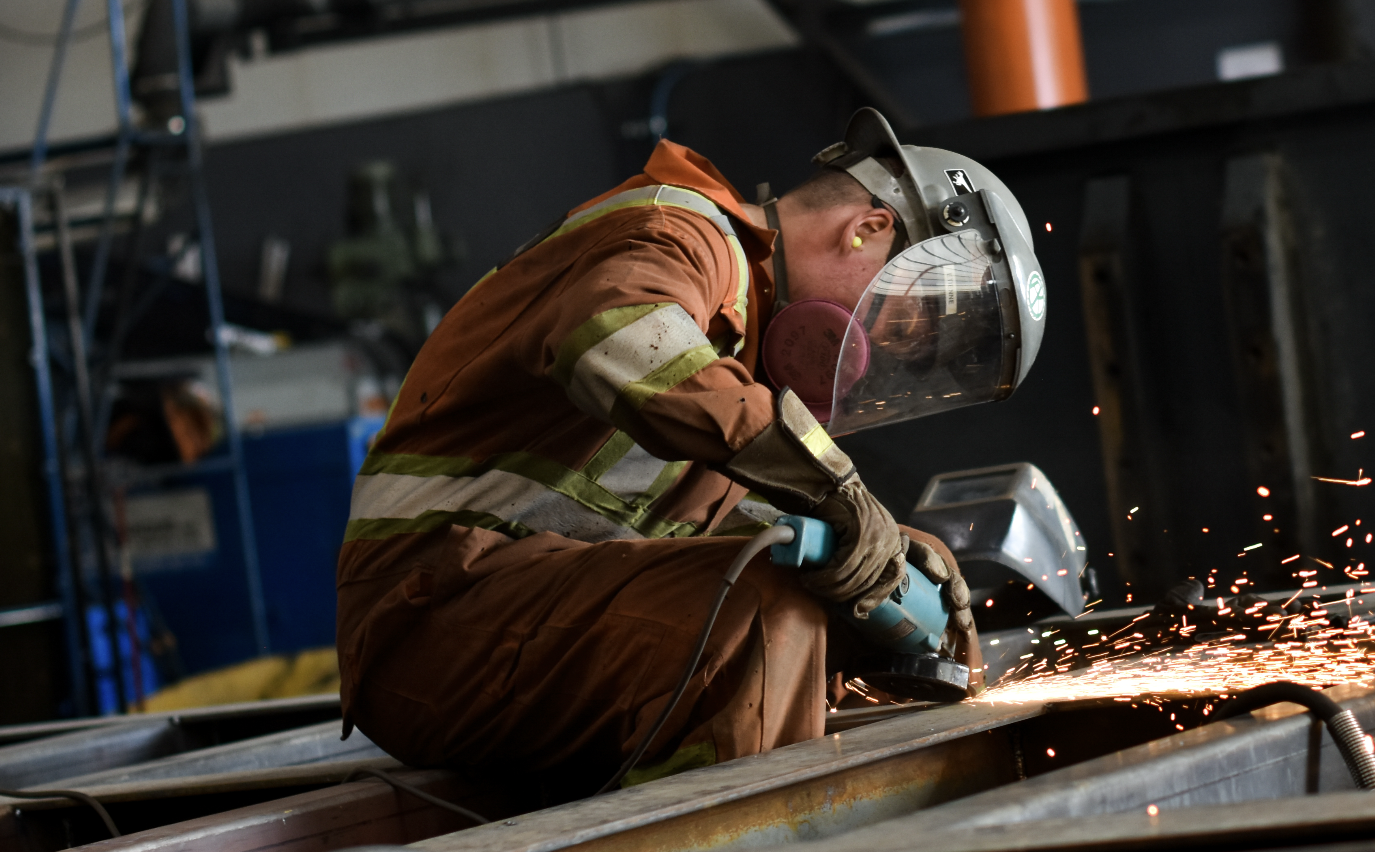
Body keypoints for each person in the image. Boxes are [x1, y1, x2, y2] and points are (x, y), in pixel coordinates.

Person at [335, 109, 1048, 790]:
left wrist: (877, 563)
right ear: (865, 230)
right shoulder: (678, 233)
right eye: (903, 326)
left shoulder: (736, 370)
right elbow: (619, 335)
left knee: (863, 593)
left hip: (511, 622)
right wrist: (830, 485)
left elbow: (711, 531)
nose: (878, 357)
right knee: (757, 611)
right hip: (429, 626)